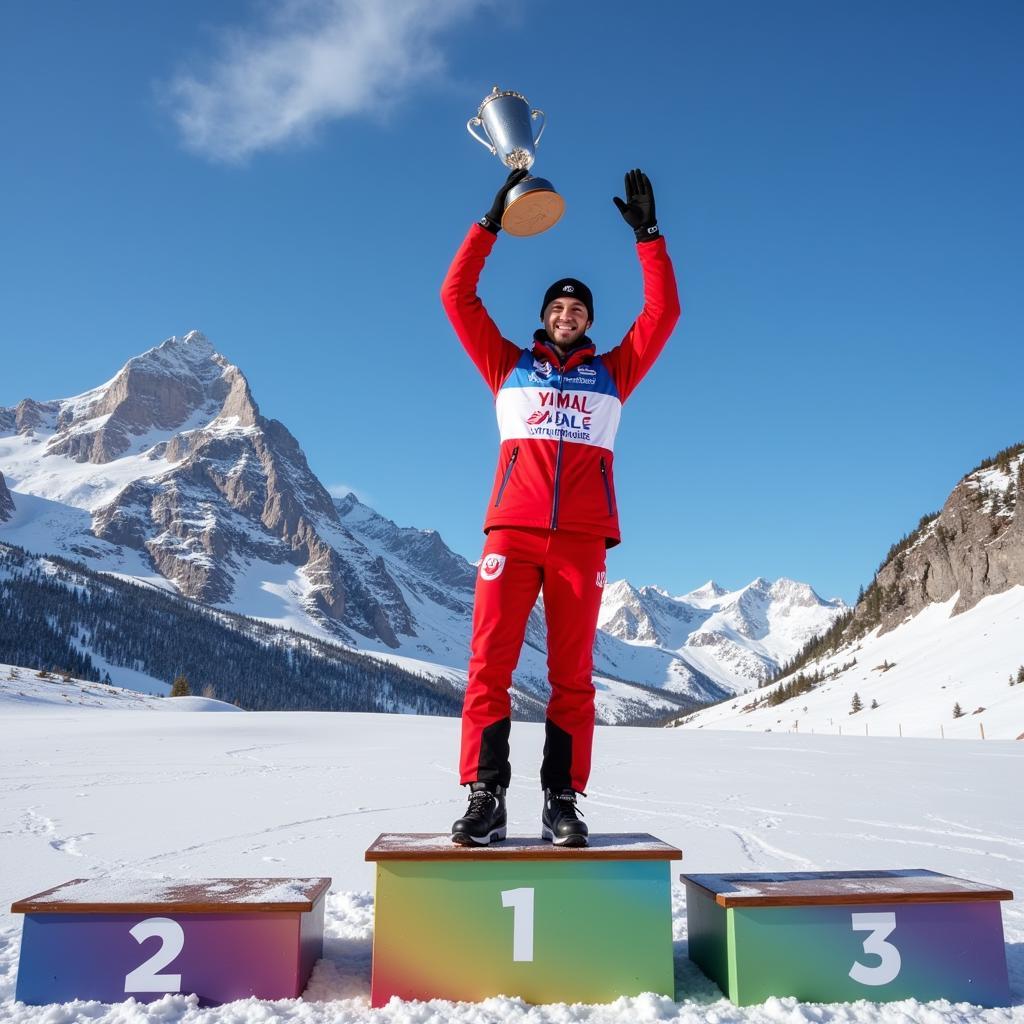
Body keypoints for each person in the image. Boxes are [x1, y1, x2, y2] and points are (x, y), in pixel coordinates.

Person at [440, 168, 680, 847]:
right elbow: (457, 297)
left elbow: (663, 316)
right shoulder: (507, 365)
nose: (567, 316)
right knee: (490, 664)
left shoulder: (615, 373)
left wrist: (649, 238)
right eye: (557, 308)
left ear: (590, 323)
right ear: (543, 317)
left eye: (578, 311)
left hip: (581, 540)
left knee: (572, 677)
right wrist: (487, 226)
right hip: (511, 534)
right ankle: (485, 795)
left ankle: (562, 801)